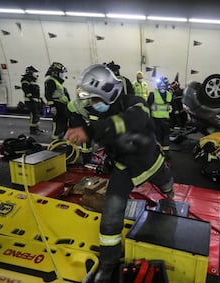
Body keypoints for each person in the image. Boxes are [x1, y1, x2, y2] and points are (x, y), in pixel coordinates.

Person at [64, 64, 174, 283]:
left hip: (150, 161)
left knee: (166, 183)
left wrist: (90, 131)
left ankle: (170, 196)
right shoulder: (97, 114)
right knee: (111, 218)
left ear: (107, 92)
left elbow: (133, 121)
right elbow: (84, 116)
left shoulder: (136, 104)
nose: (93, 105)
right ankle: (108, 262)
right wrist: (78, 125)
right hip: (124, 169)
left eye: (95, 99)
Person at [147, 76, 173, 159]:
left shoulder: (169, 95)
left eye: (163, 86)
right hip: (156, 120)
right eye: (161, 86)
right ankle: (158, 152)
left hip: (165, 120)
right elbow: (148, 107)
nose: (162, 87)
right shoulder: (153, 94)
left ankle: (165, 153)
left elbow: (171, 107)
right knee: (157, 137)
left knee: (165, 136)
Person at [44, 62, 70, 140]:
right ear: (55, 72)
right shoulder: (51, 81)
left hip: (62, 105)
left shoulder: (58, 82)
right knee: (58, 123)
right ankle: (55, 141)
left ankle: (62, 139)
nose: (62, 74)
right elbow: (48, 95)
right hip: (57, 105)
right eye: (61, 72)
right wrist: (52, 106)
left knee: (63, 122)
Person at [21, 65, 43, 135]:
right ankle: (33, 130)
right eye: (34, 72)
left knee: (36, 115)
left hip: (36, 100)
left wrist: (40, 100)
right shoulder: (25, 80)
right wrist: (31, 98)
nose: (36, 74)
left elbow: (36, 92)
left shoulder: (33, 80)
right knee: (33, 115)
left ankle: (36, 128)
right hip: (30, 101)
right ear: (30, 72)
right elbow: (26, 90)